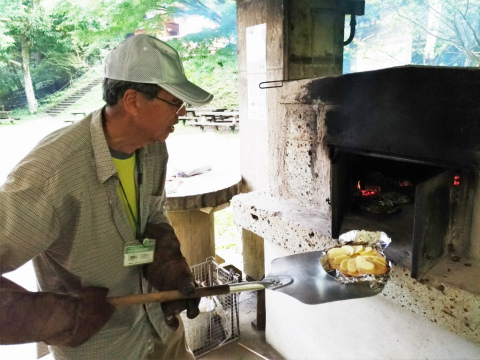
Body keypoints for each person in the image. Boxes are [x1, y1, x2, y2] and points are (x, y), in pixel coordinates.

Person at [0, 34, 213, 359]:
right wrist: (55, 317)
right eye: (175, 102)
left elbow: (153, 216)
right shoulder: (50, 175)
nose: (182, 112)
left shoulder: (153, 148)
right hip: (103, 347)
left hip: (160, 328)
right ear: (133, 101)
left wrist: (169, 265)